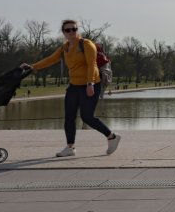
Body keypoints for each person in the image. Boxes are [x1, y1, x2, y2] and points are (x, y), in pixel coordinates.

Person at [20, 20, 121, 157]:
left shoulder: (86, 44)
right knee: (69, 117)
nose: (71, 32)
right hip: (74, 85)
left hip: (90, 84)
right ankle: (70, 147)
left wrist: (90, 84)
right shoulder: (65, 47)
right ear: (64, 32)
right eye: (68, 30)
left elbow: (92, 65)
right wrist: (33, 66)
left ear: (77, 30)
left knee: (87, 116)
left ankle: (112, 137)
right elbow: (50, 59)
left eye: (74, 29)